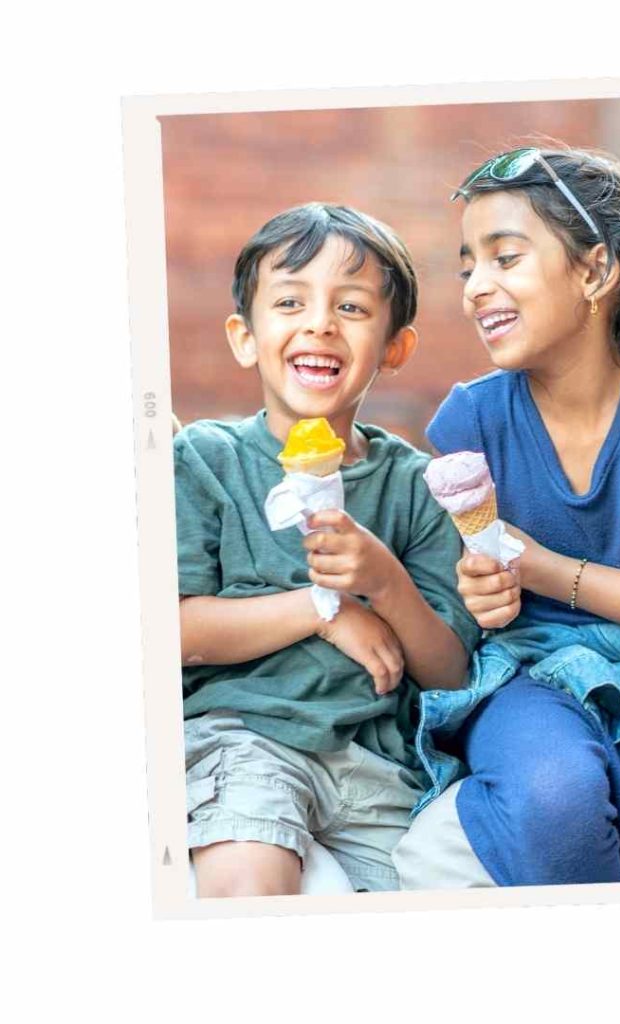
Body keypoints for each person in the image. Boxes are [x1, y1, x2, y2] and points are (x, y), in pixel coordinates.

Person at [393, 147, 620, 888]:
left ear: (593, 272)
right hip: (528, 676)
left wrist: (545, 568)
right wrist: (484, 595)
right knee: (553, 797)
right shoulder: (472, 420)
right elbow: (474, 618)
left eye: (506, 259)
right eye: (468, 267)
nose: (475, 288)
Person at [175, 203, 480, 897]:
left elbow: (450, 673)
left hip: (378, 766)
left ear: (396, 347)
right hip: (246, 738)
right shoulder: (206, 460)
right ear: (245, 337)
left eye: (351, 306)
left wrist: (387, 583)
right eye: (290, 301)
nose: (319, 324)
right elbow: (175, 631)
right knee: (247, 887)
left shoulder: (414, 485)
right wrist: (324, 608)